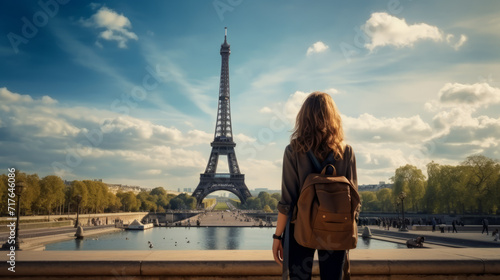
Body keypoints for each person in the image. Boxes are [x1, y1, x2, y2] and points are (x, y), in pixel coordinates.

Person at [272, 92, 357, 280]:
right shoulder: (347, 151)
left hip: (300, 228)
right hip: (335, 227)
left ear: (303, 118)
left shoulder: (293, 151)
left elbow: (287, 203)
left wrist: (277, 237)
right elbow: (353, 200)